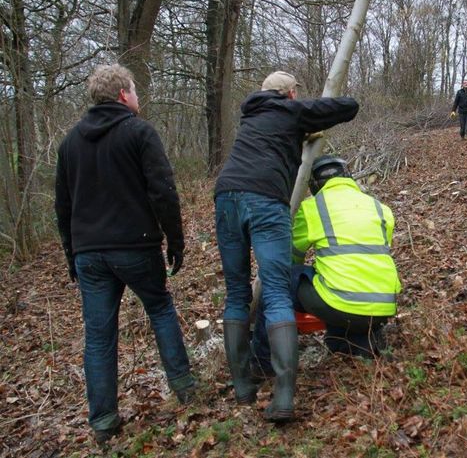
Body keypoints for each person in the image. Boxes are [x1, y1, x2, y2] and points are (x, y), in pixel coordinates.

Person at [55, 64, 195, 445]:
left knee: (99, 337)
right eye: (134, 91)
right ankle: (185, 389)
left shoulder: (70, 144)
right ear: (122, 95)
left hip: (90, 254)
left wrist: (72, 255)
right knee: (161, 310)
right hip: (135, 245)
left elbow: (63, 208)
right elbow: (163, 190)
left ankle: (103, 421)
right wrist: (175, 240)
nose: (137, 97)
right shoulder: (139, 131)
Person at [214, 71, 358, 422]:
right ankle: (282, 397)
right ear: (290, 94)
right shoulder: (290, 110)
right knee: (277, 292)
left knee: (236, 293)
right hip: (265, 199)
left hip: (225, 194)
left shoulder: (252, 117)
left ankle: (243, 388)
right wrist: (307, 115)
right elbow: (348, 107)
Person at [272, 155, 400, 359]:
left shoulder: (312, 207)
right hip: (385, 305)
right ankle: (351, 340)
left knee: (288, 277)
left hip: (342, 305)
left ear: (314, 184)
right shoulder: (379, 207)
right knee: (339, 282)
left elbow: (293, 255)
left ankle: (268, 354)